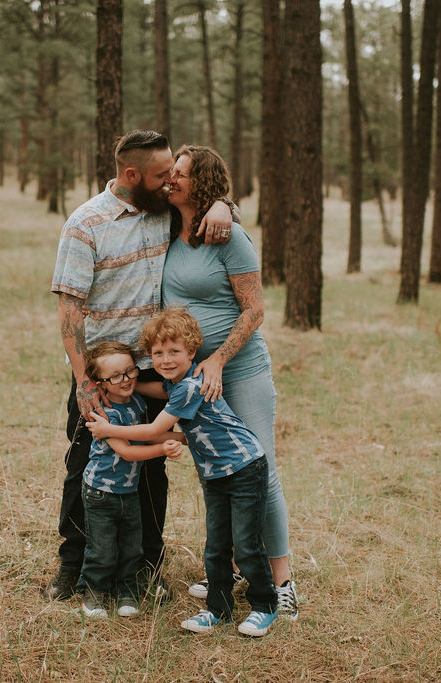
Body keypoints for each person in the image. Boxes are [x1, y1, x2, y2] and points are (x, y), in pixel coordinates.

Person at [47, 129, 235, 602]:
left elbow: (204, 203)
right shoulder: (85, 224)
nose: (171, 181)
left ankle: (147, 566)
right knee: (85, 464)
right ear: (131, 175)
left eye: (174, 172)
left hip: (155, 371)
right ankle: (73, 566)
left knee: (153, 471)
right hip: (102, 375)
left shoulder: (164, 210)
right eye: (160, 174)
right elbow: (69, 311)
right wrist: (83, 381)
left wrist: (224, 206)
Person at [162, 145, 298, 620]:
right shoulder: (167, 229)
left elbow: (255, 309)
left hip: (238, 370)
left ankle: (282, 582)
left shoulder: (229, 236)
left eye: (180, 174)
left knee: (260, 469)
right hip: (194, 379)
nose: (171, 180)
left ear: (202, 184)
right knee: (215, 471)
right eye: (171, 173)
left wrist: (218, 358)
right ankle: (238, 564)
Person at [87, 308, 279, 637]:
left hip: (245, 467)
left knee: (245, 544)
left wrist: (107, 429)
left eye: (175, 351)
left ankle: (265, 605)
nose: (165, 359)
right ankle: (218, 610)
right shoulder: (177, 385)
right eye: (158, 353)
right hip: (216, 474)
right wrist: (131, 389)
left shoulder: (189, 388)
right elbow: (162, 391)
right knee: (216, 546)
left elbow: (156, 428)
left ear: (192, 352)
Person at [78, 341, 185, 619]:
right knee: (101, 549)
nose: (125, 380)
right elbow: (127, 450)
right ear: (100, 383)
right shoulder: (101, 415)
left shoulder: (137, 403)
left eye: (129, 372)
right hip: (101, 493)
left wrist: (184, 438)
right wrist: (163, 449)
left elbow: (148, 433)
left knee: (131, 546)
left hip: (129, 491)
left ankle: (127, 591)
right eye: (115, 376)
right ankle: (94, 593)